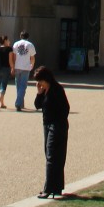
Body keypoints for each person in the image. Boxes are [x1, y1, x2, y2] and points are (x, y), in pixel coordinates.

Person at [34, 66, 70, 199]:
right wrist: (39, 93)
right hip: (47, 125)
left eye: (40, 81)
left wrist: (58, 123)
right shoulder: (44, 90)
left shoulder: (57, 89)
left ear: (46, 79)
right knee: (50, 155)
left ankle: (48, 188)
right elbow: (37, 105)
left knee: (53, 157)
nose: (39, 84)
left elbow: (66, 108)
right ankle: (56, 187)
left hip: (57, 126)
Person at [10, 30, 36, 111]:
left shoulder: (16, 44)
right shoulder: (30, 45)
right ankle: (18, 103)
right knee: (23, 86)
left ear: (20, 36)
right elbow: (32, 57)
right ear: (28, 37)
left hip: (17, 66)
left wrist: (13, 66)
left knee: (18, 85)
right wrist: (32, 65)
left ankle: (21, 103)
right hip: (26, 67)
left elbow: (14, 56)